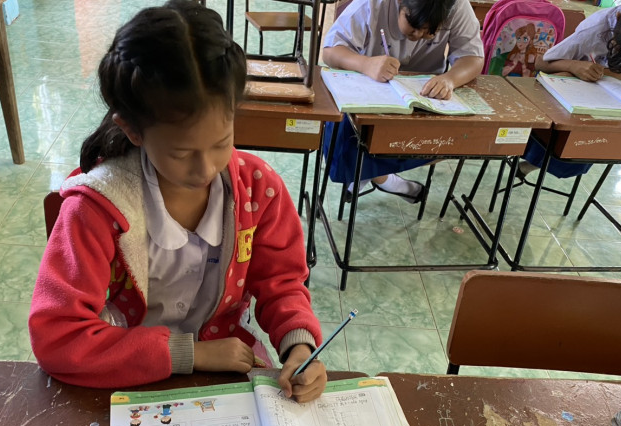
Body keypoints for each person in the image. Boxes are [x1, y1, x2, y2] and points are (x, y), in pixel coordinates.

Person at [28, 0, 327, 402]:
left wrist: (299, 348)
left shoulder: (258, 190)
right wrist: (190, 354)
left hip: (226, 367)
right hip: (123, 375)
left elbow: (283, 284)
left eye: (222, 142)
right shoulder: (96, 210)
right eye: (181, 153)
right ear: (132, 130)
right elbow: (58, 336)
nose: (206, 168)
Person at [321, 0, 484, 203]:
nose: (418, 35)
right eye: (413, 25)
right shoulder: (372, 4)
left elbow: (473, 58)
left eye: (429, 32)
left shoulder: (456, 5)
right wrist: (366, 64)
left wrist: (450, 79)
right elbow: (330, 51)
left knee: (452, 138)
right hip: (372, 89)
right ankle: (387, 180)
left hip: (425, 96)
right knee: (348, 133)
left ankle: (372, 175)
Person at [519, 0, 621, 179]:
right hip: (572, 101)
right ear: (617, 19)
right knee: (556, 145)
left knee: (580, 154)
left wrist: (600, 73)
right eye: (619, 43)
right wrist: (573, 66)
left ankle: (535, 163)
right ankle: (531, 161)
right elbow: (541, 63)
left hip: (614, 103)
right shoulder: (595, 28)